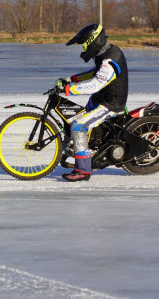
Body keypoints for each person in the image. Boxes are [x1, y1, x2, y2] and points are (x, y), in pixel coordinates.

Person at [53, 23, 128, 182]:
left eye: (84, 46)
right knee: (74, 118)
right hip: (100, 98)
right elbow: (94, 72)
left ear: (93, 42)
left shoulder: (110, 60)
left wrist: (69, 89)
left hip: (110, 103)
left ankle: (83, 170)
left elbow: (96, 84)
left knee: (79, 126)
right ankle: (86, 149)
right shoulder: (105, 53)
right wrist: (71, 79)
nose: (84, 50)